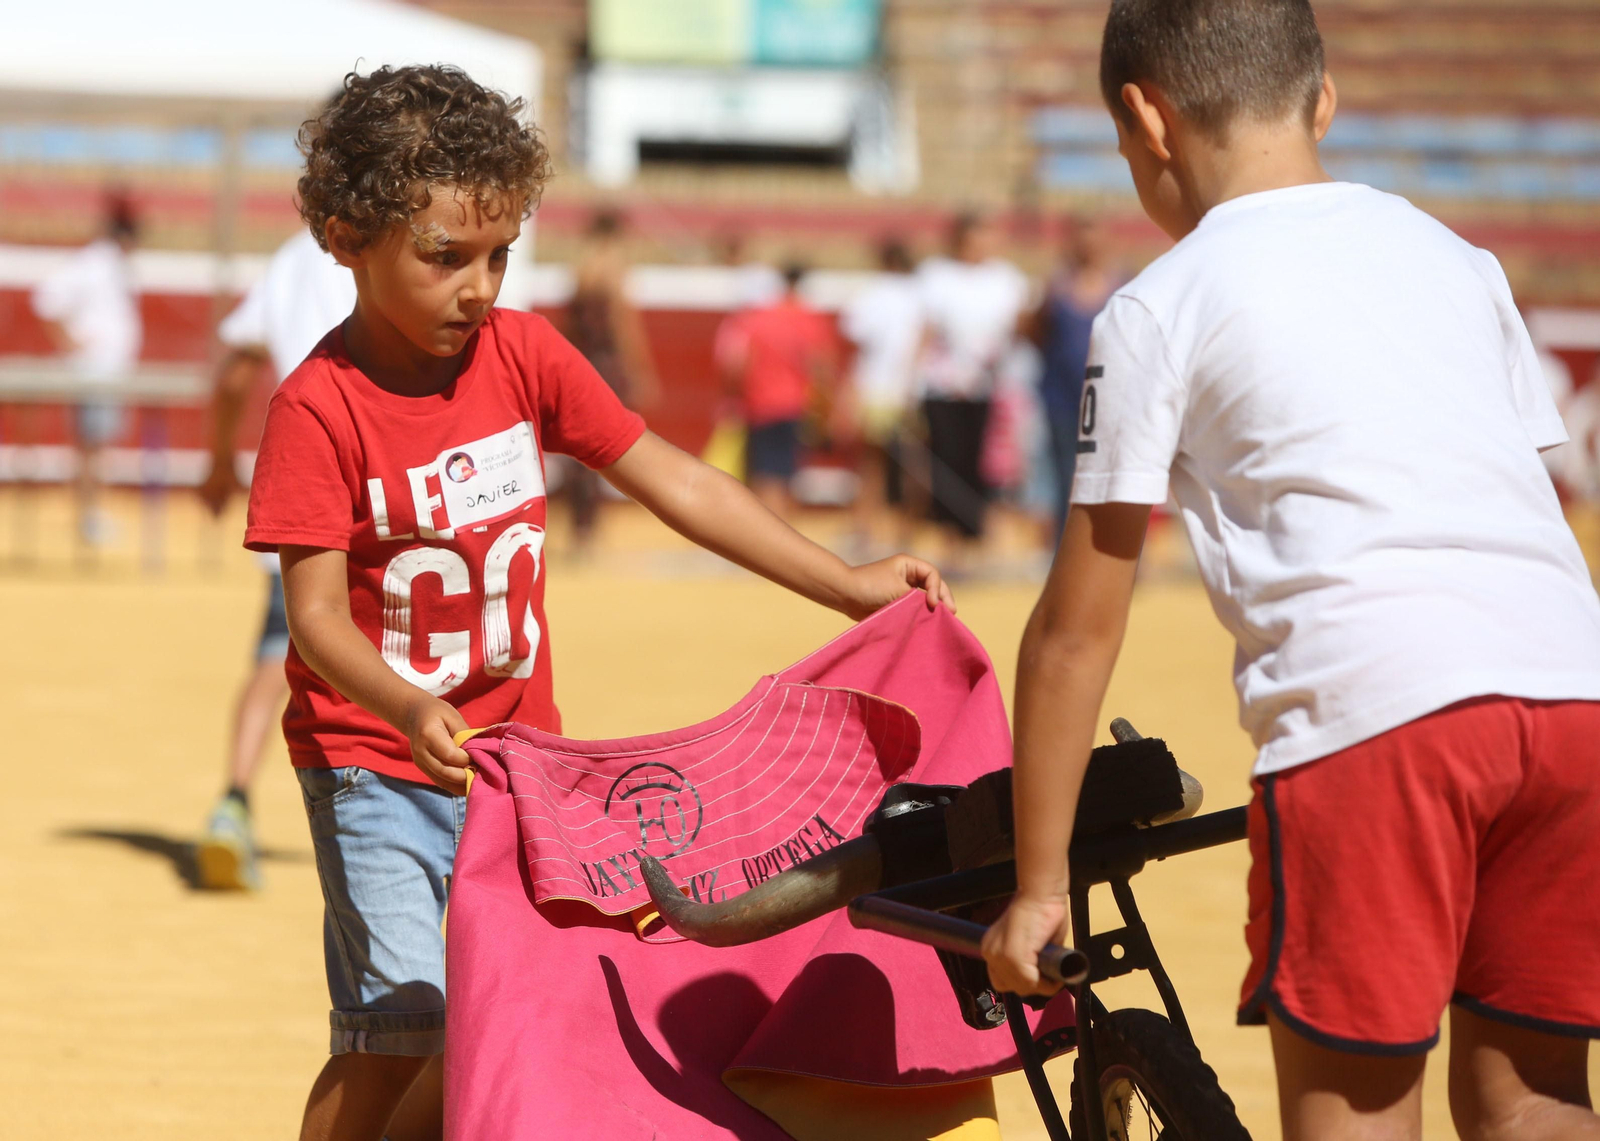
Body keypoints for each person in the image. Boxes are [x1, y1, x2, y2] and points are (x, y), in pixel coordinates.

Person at [245, 65, 951, 1141]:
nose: (478, 286)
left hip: (523, 767)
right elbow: (317, 622)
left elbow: (676, 479)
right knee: (399, 1022)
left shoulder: (522, 352)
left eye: (498, 256)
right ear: (345, 238)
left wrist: (845, 586)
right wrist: (404, 708)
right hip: (372, 761)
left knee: (494, 1008)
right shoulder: (316, 408)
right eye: (445, 258)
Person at [981, 3, 1600, 1141]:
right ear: (1322, 99)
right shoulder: (1457, 258)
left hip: (1373, 713)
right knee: (1535, 1095)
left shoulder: (1161, 302)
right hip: (1572, 692)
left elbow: (1076, 628)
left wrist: (1037, 889)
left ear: (1143, 121)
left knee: (1357, 1113)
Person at [193, 227, 356, 891]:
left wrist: (218, 462)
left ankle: (233, 800)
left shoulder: (290, 260)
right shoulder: (405, 245)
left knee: (273, 657)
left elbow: (234, 372)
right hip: (392, 492)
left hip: (304, 488)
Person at [913, 212, 1029, 562]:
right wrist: (911, 379)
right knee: (947, 459)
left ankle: (977, 532)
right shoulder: (937, 275)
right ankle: (951, 535)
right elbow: (926, 329)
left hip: (989, 387)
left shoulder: (1007, 279)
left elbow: (1019, 329)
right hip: (943, 385)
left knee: (986, 461)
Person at [31, 193, 142, 551]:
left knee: (93, 447)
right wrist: (71, 344)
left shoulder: (106, 264)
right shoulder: (97, 263)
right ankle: (88, 518)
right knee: (91, 449)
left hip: (103, 371)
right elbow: (46, 298)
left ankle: (89, 516)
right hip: (96, 371)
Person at [559, 207, 660, 555]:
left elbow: (572, 327)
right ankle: (587, 531)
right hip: (606, 366)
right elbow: (622, 325)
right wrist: (639, 370)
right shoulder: (613, 268)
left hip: (581, 361)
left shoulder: (580, 267)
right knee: (605, 443)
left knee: (577, 446)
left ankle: (581, 528)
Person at [713, 262, 838, 516]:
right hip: (796, 407)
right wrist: (826, 411)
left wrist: (735, 397)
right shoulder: (810, 319)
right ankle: (783, 534)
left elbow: (737, 364)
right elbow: (821, 368)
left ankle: (768, 538)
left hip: (761, 405)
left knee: (764, 476)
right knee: (788, 475)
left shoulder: (758, 319)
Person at [1031, 215, 1120, 545]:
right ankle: (1062, 551)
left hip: (1111, 401)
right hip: (1062, 400)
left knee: (1111, 479)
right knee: (1063, 478)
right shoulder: (1057, 288)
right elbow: (1036, 333)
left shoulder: (1122, 284)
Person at [839, 236, 922, 552]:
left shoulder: (872, 295)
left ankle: (864, 530)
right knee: (912, 466)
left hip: (875, 389)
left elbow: (857, 344)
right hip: (909, 390)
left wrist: (849, 394)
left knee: (871, 464)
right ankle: (906, 532)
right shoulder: (920, 295)